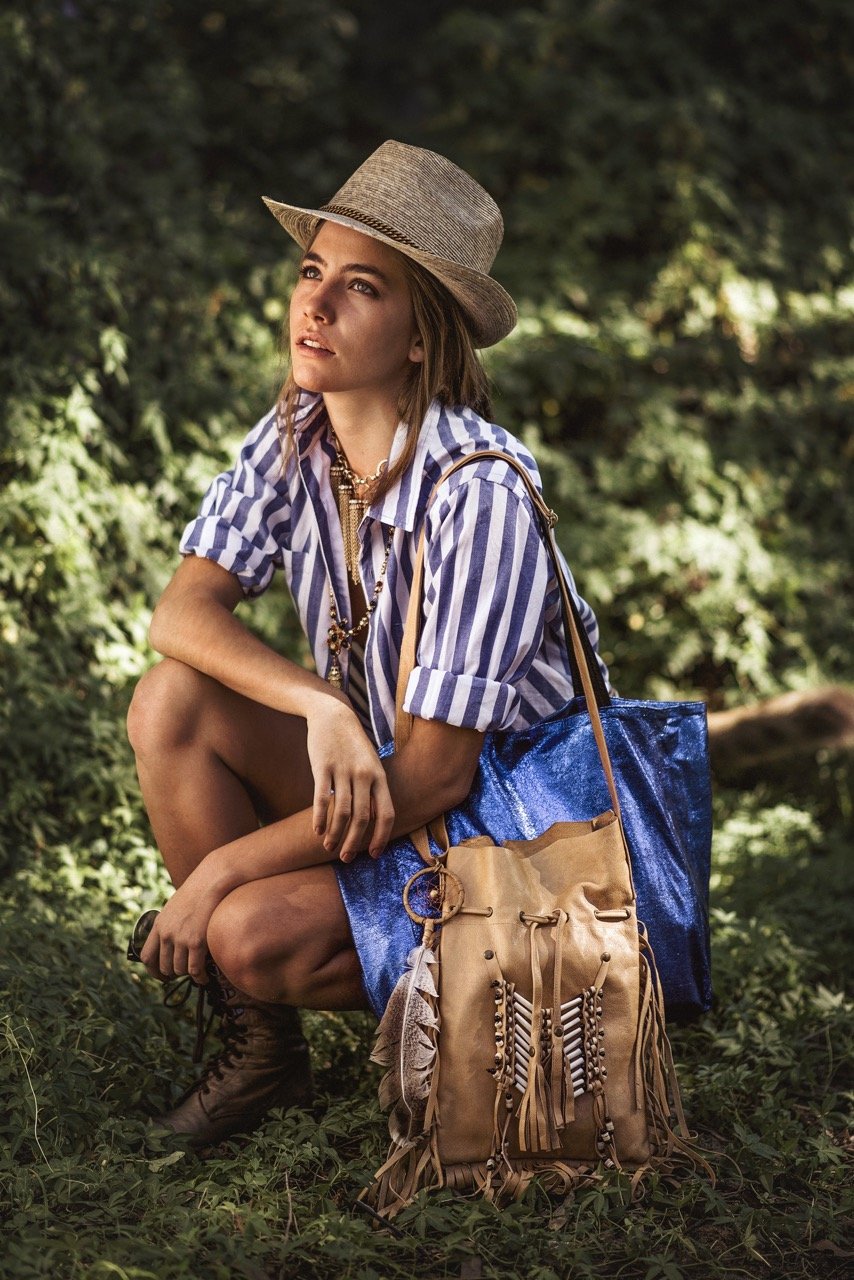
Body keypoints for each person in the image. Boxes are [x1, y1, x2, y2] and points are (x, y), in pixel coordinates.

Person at [126, 140, 609, 1146]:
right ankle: (262, 1054)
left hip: (511, 847)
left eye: (360, 287)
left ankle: (490, 1021)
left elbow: (434, 776)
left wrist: (218, 874)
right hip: (389, 791)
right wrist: (322, 705)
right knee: (170, 698)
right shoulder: (299, 432)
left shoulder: (477, 492)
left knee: (243, 928)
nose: (316, 305)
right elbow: (180, 614)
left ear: (422, 337)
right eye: (311, 272)